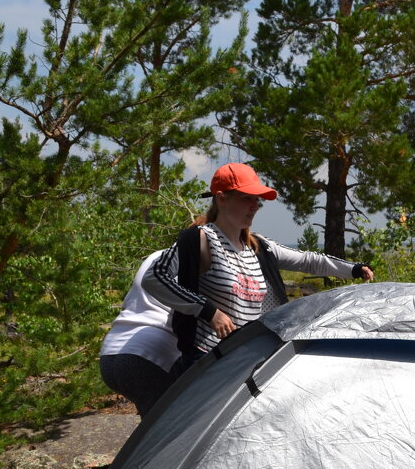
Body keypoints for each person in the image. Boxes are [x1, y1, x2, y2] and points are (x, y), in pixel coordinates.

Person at [141, 162, 373, 379]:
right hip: (207, 362)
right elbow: (154, 277)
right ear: (221, 199)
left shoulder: (258, 246)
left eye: (257, 200)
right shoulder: (201, 238)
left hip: (246, 360)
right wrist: (209, 311)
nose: (255, 206)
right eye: (246, 199)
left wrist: (353, 269)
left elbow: (308, 261)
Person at [99, 250, 184, 416]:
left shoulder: (158, 255)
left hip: (111, 351)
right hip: (149, 355)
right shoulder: (196, 259)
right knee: (166, 430)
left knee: (152, 427)